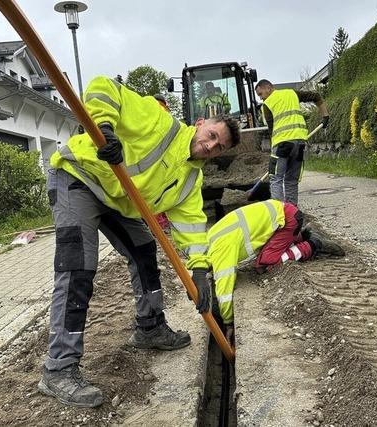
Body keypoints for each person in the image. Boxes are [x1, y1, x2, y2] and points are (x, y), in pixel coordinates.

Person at [38, 75, 241, 408]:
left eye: (219, 147)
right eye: (211, 136)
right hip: (79, 177)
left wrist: (201, 271)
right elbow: (104, 86)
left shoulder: (191, 179)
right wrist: (105, 129)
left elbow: (192, 228)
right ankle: (58, 368)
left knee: (145, 251)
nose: (209, 146)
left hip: (116, 199)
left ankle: (149, 328)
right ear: (200, 123)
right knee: (78, 267)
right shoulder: (159, 120)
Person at [194, 199, 344, 342]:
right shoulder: (211, 236)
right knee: (263, 256)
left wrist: (228, 322)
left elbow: (224, 290)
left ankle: (312, 244)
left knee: (266, 263)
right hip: (282, 215)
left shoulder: (220, 251)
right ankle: (301, 236)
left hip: (287, 220)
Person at [255, 79, 329, 205]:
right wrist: (325, 116)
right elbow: (316, 96)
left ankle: (279, 214)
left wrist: (273, 156)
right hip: (300, 143)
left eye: (260, 94)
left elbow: (272, 130)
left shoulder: (267, 104)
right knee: (291, 180)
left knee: (276, 178)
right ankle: (292, 214)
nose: (261, 99)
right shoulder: (291, 93)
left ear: (268, 88)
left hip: (281, 144)